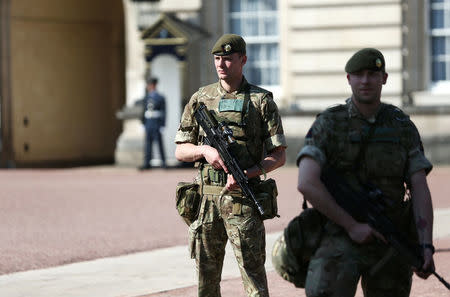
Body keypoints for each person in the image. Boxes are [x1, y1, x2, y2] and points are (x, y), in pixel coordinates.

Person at [296, 48, 435, 297]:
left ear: (384, 78)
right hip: (338, 234)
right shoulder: (328, 123)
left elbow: (420, 188)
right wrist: (351, 226)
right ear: (349, 79)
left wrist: (425, 246)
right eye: (358, 74)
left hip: (389, 238)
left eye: (373, 73)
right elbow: (307, 182)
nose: (366, 80)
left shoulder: (402, 127)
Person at [174, 34, 287, 297]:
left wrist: (248, 173)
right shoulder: (200, 98)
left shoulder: (261, 101)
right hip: (207, 203)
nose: (221, 64)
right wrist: (205, 150)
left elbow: (279, 155)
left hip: (243, 202)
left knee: (254, 281)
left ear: (243, 60)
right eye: (217, 59)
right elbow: (181, 149)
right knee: (206, 282)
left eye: (227, 58)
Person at [139, 77, 166, 170]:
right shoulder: (146, 97)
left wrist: (163, 125)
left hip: (156, 123)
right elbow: (143, 111)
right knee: (148, 144)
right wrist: (143, 123)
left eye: (151, 85)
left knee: (159, 143)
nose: (150, 86)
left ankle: (163, 162)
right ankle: (147, 163)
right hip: (148, 123)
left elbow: (163, 112)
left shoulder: (160, 97)